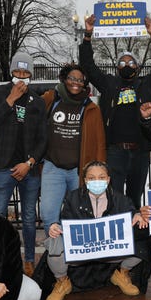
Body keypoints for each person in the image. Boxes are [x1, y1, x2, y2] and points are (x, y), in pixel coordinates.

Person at [79, 14, 151, 209]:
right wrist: (88, 35)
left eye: (131, 63)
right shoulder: (109, 84)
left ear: (137, 67)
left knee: (134, 199)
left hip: (140, 151)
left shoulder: (147, 84)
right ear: (116, 67)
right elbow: (88, 65)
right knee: (115, 199)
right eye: (122, 63)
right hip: (115, 152)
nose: (126, 66)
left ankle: (135, 237)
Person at [43, 160, 151, 300]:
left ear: (108, 179)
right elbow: (65, 224)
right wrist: (55, 226)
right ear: (85, 180)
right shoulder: (73, 198)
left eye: (101, 177)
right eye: (92, 178)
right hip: (82, 252)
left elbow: (131, 213)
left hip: (111, 251)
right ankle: (62, 282)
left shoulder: (120, 198)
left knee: (142, 234)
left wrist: (137, 215)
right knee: (54, 241)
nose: (97, 181)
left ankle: (122, 273)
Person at [0, 52, 47, 277]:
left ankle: (29, 259)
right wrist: (10, 99)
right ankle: (0, 260)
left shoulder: (37, 101)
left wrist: (30, 163)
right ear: (11, 72)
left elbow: (43, 138)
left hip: (28, 168)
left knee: (29, 217)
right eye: (18, 72)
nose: (21, 76)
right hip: (3, 165)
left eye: (26, 72)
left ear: (31, 74)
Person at [40, 63, 106, 235]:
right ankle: (55, 256)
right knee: (48, 214)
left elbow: (99, 143)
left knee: (78, 215)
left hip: (79, 171)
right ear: (64, 79)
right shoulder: (50, 99)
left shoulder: (91, 108)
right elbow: (33, 124)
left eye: (80, 79)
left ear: (85, 83)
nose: (75, 82)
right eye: (71, 78)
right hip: (53, 168)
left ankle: (72, 255)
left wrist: (99, 172)